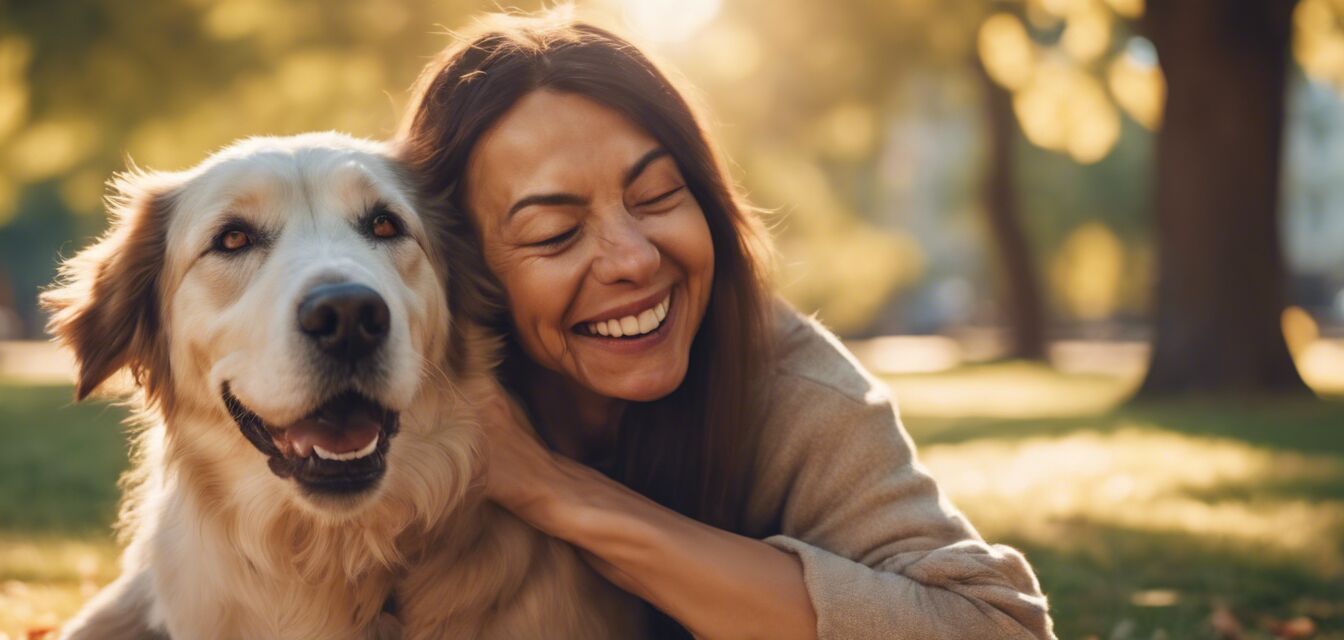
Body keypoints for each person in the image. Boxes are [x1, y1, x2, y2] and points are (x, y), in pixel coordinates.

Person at [397, 12, 1054, 640]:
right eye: (555, 232)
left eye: (656, 197)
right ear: (460, 272)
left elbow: (992, 626)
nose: (635, 258)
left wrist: (557, 494)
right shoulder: (400, 418)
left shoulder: (789, 382)